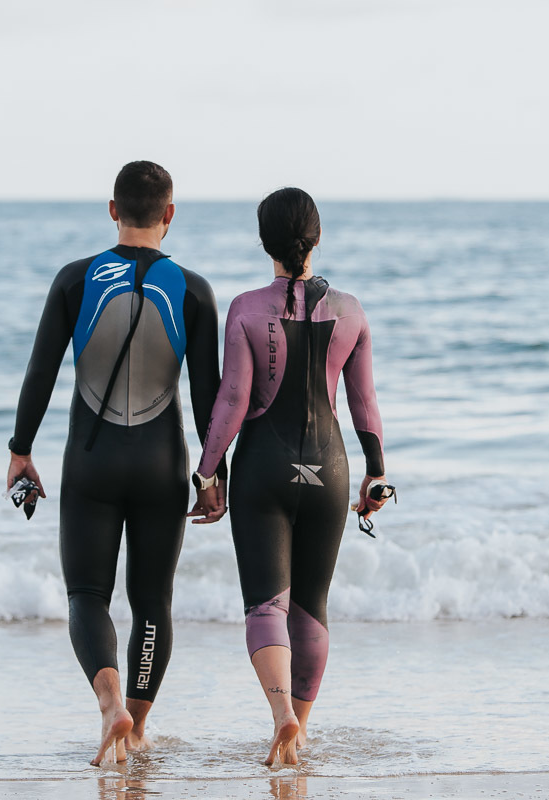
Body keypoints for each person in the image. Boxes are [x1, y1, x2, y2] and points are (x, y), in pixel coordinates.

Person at [7, 161, 228, 766]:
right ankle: (137, 725)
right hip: (162, 464)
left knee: (86, 595)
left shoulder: (75, 280)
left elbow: (40, 372)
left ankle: (109, 704)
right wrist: (214, 477)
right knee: (153, 600)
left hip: (91, 462)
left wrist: (20, 450)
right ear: (170, 215)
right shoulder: (196, 290)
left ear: (112, 210)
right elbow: (211, 396)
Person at [189, 187, 389, 766]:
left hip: (262, 469)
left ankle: (280, 719)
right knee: (312, 607)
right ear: (317, 237)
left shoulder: (247, 308)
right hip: (329, 469)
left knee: (265, 607)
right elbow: (364, 404)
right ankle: (299, 728)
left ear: (263, 241)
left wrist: (206, 474)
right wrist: (377, 477)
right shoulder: (351, 310)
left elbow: (233, 400)